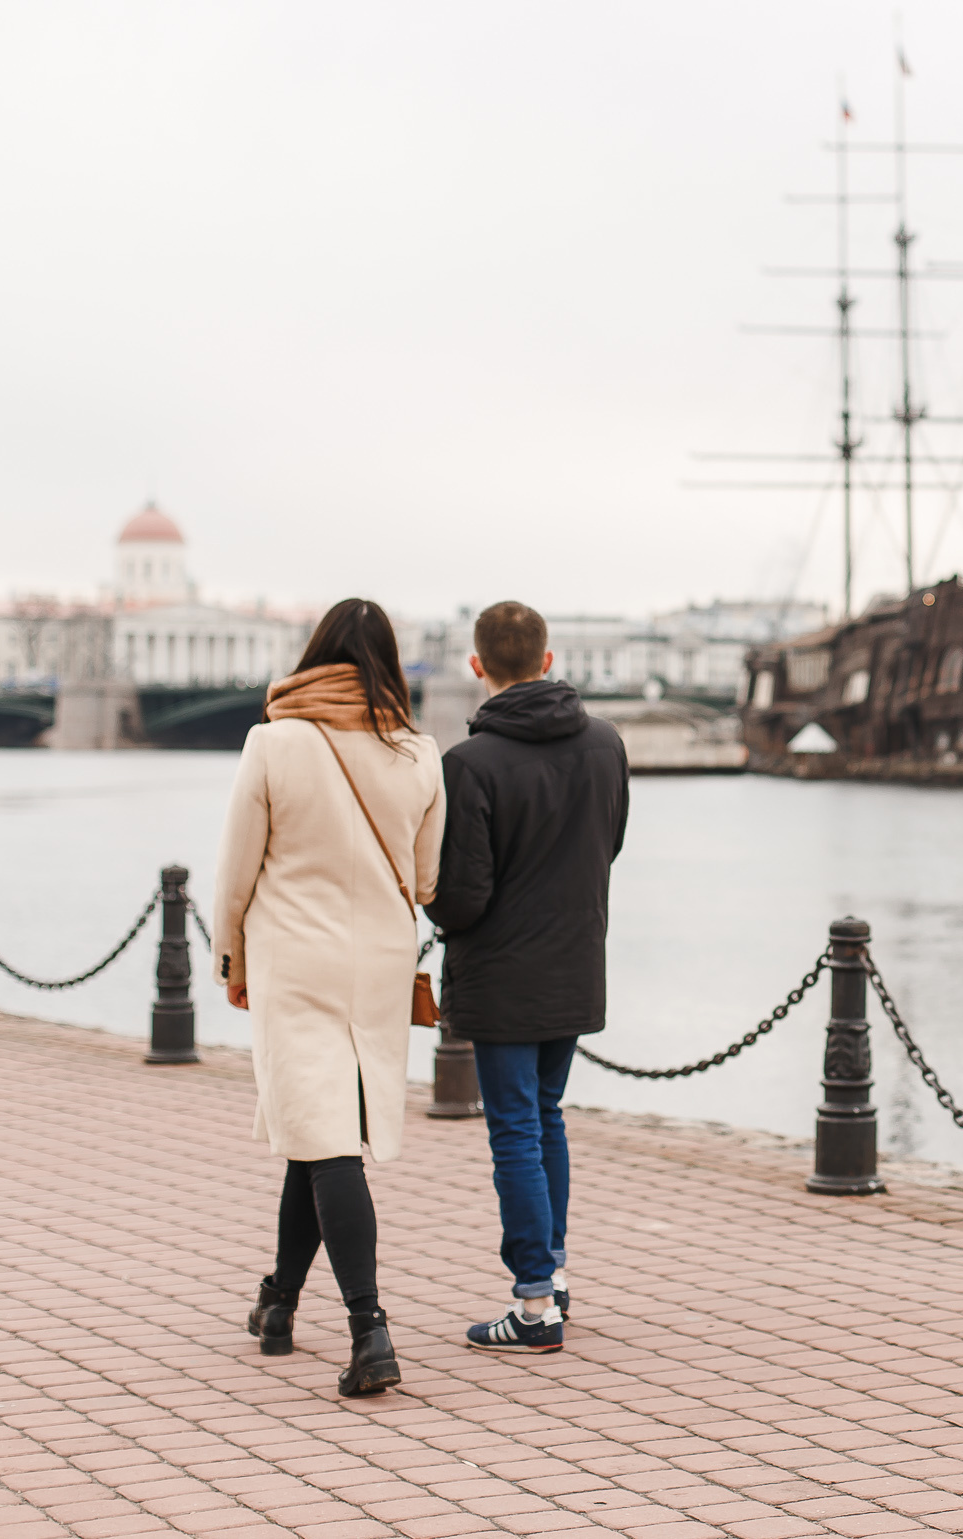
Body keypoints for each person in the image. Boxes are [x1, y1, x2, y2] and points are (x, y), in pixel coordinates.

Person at [214, 599, 444, 1398]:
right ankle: (277, 1300)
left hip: (294, 959)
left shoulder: (273, 742)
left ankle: (369, 1327)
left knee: (327, 1141)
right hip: (378, 964)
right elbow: (425, 879)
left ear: (314, 657)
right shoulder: (418, 753)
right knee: (318, 1129)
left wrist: (231, 959)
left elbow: (237, 868)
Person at [427, 601, 628, 1353]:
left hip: (502, 975)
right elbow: (609, 842)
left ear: (476, 666)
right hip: (575, 960)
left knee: (514, 1126)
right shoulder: (605, 743)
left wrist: (431, 900)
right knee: (546, 1115)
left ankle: (536, 1304)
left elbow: (463, 896)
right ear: (548, 660)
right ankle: (555, 1272)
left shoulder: (469, 764)